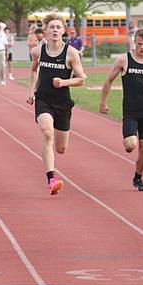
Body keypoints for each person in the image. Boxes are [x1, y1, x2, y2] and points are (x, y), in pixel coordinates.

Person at [26, 13, 86, 196]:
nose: (55, 30)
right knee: (47, 132)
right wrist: (31, 90)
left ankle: (53, 168)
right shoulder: (37, 51)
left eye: (58, 27)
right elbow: (34, 70)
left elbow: (82, 79)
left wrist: (64, 82)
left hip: (63, 102)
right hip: (43, 99)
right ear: (46, 30)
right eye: (51, 27)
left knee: (60, 148)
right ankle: (51, 179)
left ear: (63, 31)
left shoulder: (71, 53)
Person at [100, 29, 143, 191]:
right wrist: (103, 103)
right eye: (139, 44)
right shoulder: (124, 60)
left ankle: (138, 178)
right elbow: (108, 81)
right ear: (134, 43)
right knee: (130, 145)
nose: (142, 47)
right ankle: (130, 148)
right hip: (130, 110)